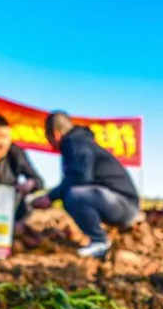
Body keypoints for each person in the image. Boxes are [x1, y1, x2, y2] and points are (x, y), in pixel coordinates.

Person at [44, 111, 140, 258]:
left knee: (74, 195)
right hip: (120, 204)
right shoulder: (81, 142)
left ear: (55, 135)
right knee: (72, 194)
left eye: (48, 138)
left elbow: (80, 177)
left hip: (124, 206)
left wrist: (50, 197)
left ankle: (99, 242)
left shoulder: (73, 143)